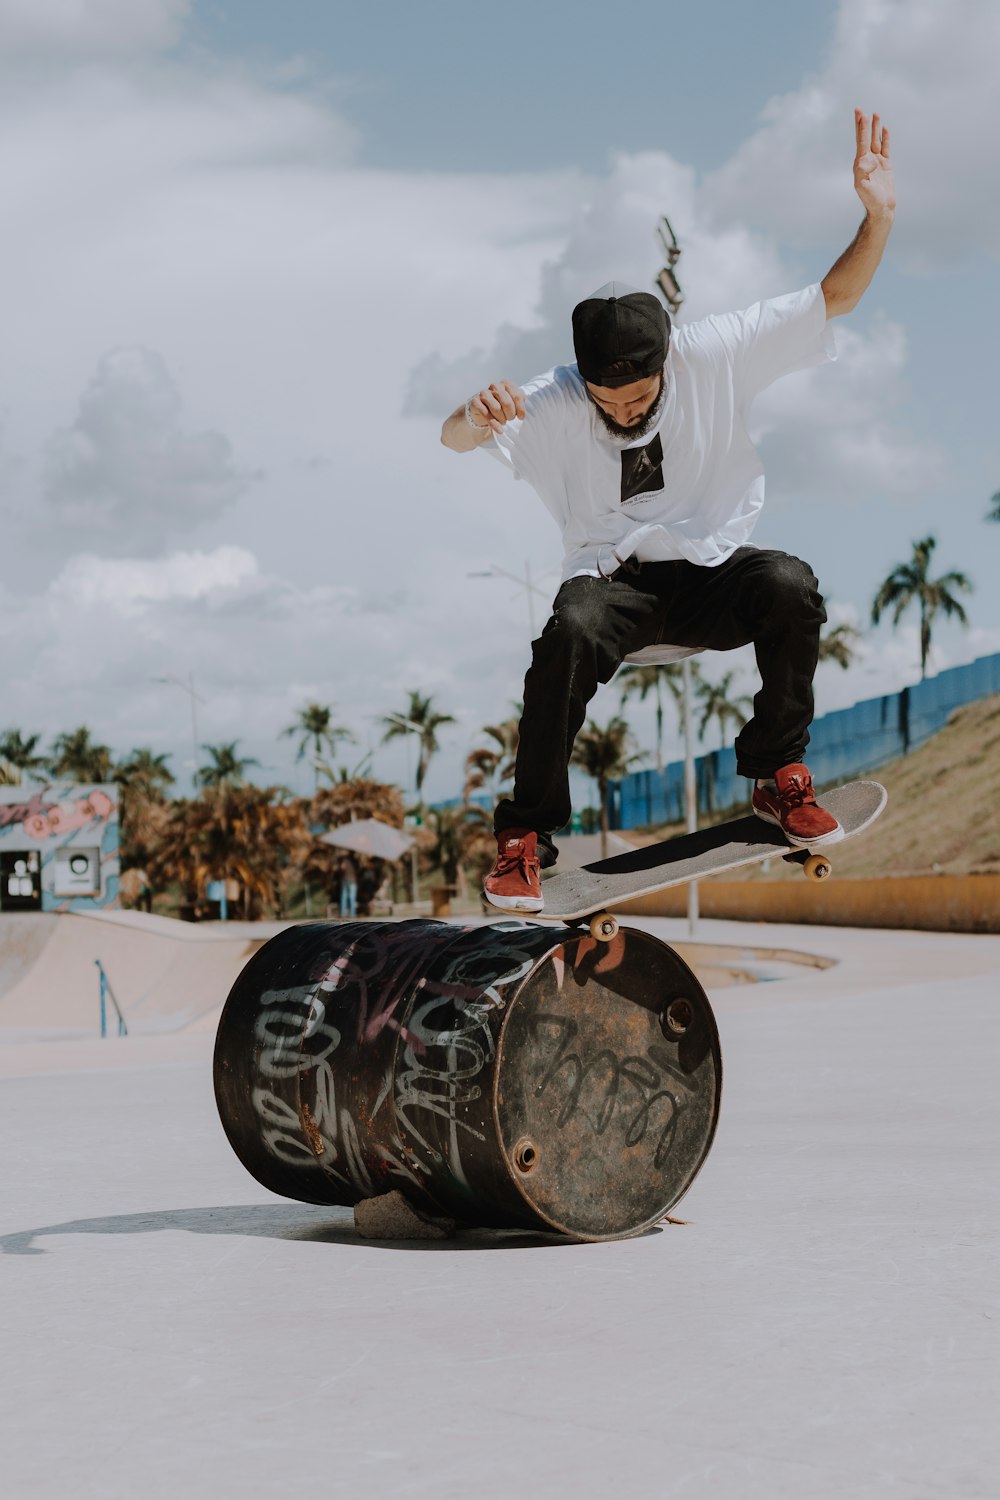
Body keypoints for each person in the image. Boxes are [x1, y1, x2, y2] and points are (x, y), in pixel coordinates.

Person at [441, 110, 895, 913]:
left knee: (790, 583)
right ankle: (526, 837)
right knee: (568, 629)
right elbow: (450, 439)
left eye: (640, 396)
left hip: (712, 574)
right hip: (614, 589)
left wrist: (878, 215)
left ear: (666, 362)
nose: (624, 411)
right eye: (607, 401)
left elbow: (838, 297)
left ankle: (776, 774)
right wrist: (474, 417)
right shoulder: (554, 399)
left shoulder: (713, 351)